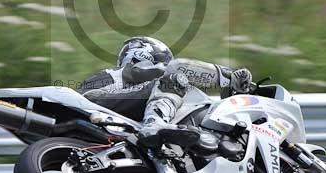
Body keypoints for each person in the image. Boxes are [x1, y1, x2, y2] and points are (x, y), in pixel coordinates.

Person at [77, 36, 253, 149]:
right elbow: (173, 70)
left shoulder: (140, 87)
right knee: (175, 77)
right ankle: (155, 124)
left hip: (107, 114)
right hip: (93, 102)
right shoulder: (126, 71)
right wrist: (229, 78)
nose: (163, 65)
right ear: (143, 54)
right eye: (161, 60)